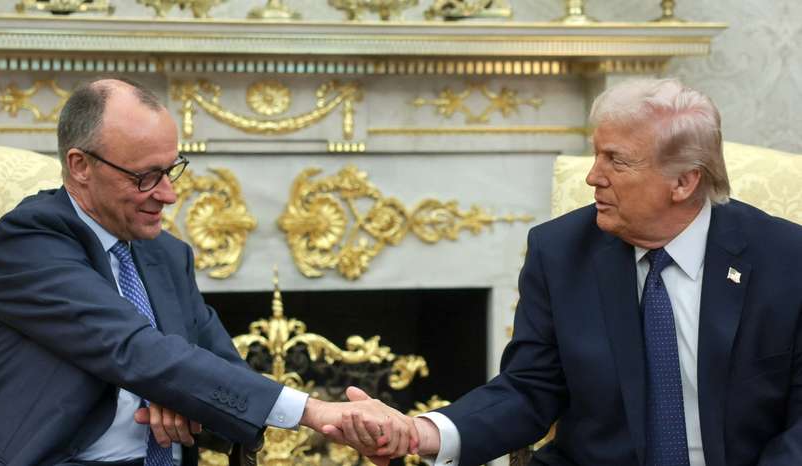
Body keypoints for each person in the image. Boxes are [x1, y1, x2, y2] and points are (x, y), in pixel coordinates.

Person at [338, 78, 802, 466]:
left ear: (684, 181)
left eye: (616, 161)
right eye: (596, 155)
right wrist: (423, 431)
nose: (593, 177)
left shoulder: (785, 258)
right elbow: (529, 389)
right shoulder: (560, 251)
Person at [0, 78, 416, 466]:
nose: (167, 194)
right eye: (146, 176)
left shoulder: (166, 254)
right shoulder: (29, 243)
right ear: (80, 166)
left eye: (171, 170)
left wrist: (181, 395)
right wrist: (315, 411)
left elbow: (221, 370)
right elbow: (132, 349)